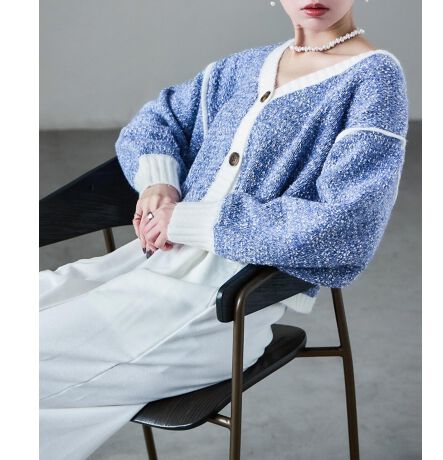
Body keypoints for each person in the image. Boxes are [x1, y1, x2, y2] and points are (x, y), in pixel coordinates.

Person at [39, 0, 409, 458]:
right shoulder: (247, 67)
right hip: (141, 267)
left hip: (225, 307)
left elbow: (348, 224)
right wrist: (159, 183)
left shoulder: (374, 79)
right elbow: (159, 119)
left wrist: (189, 220)